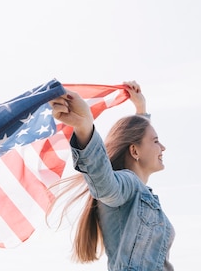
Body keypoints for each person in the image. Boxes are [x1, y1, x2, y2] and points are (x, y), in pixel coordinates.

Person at [48, 81, 174, 271]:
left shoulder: (138, 193)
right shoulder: (128, 185)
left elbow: (139, 138)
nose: (162, 147)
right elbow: (104, 183)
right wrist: (84, 126)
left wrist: (141, 109)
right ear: (134, 151)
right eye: (156, 141)